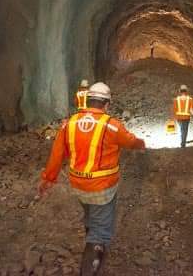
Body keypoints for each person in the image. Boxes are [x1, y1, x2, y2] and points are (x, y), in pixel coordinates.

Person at [39, 82, 146, 275]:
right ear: (106, 104)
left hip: (78, 184)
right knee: (100, 231)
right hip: (102, 187)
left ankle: (91, 235)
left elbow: (57, 154)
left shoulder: (68, 124)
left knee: (89, 213)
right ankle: (92, 258)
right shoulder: (110, 125)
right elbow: (129, 141)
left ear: (87, 101)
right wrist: (141, 144)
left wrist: (48, 178)